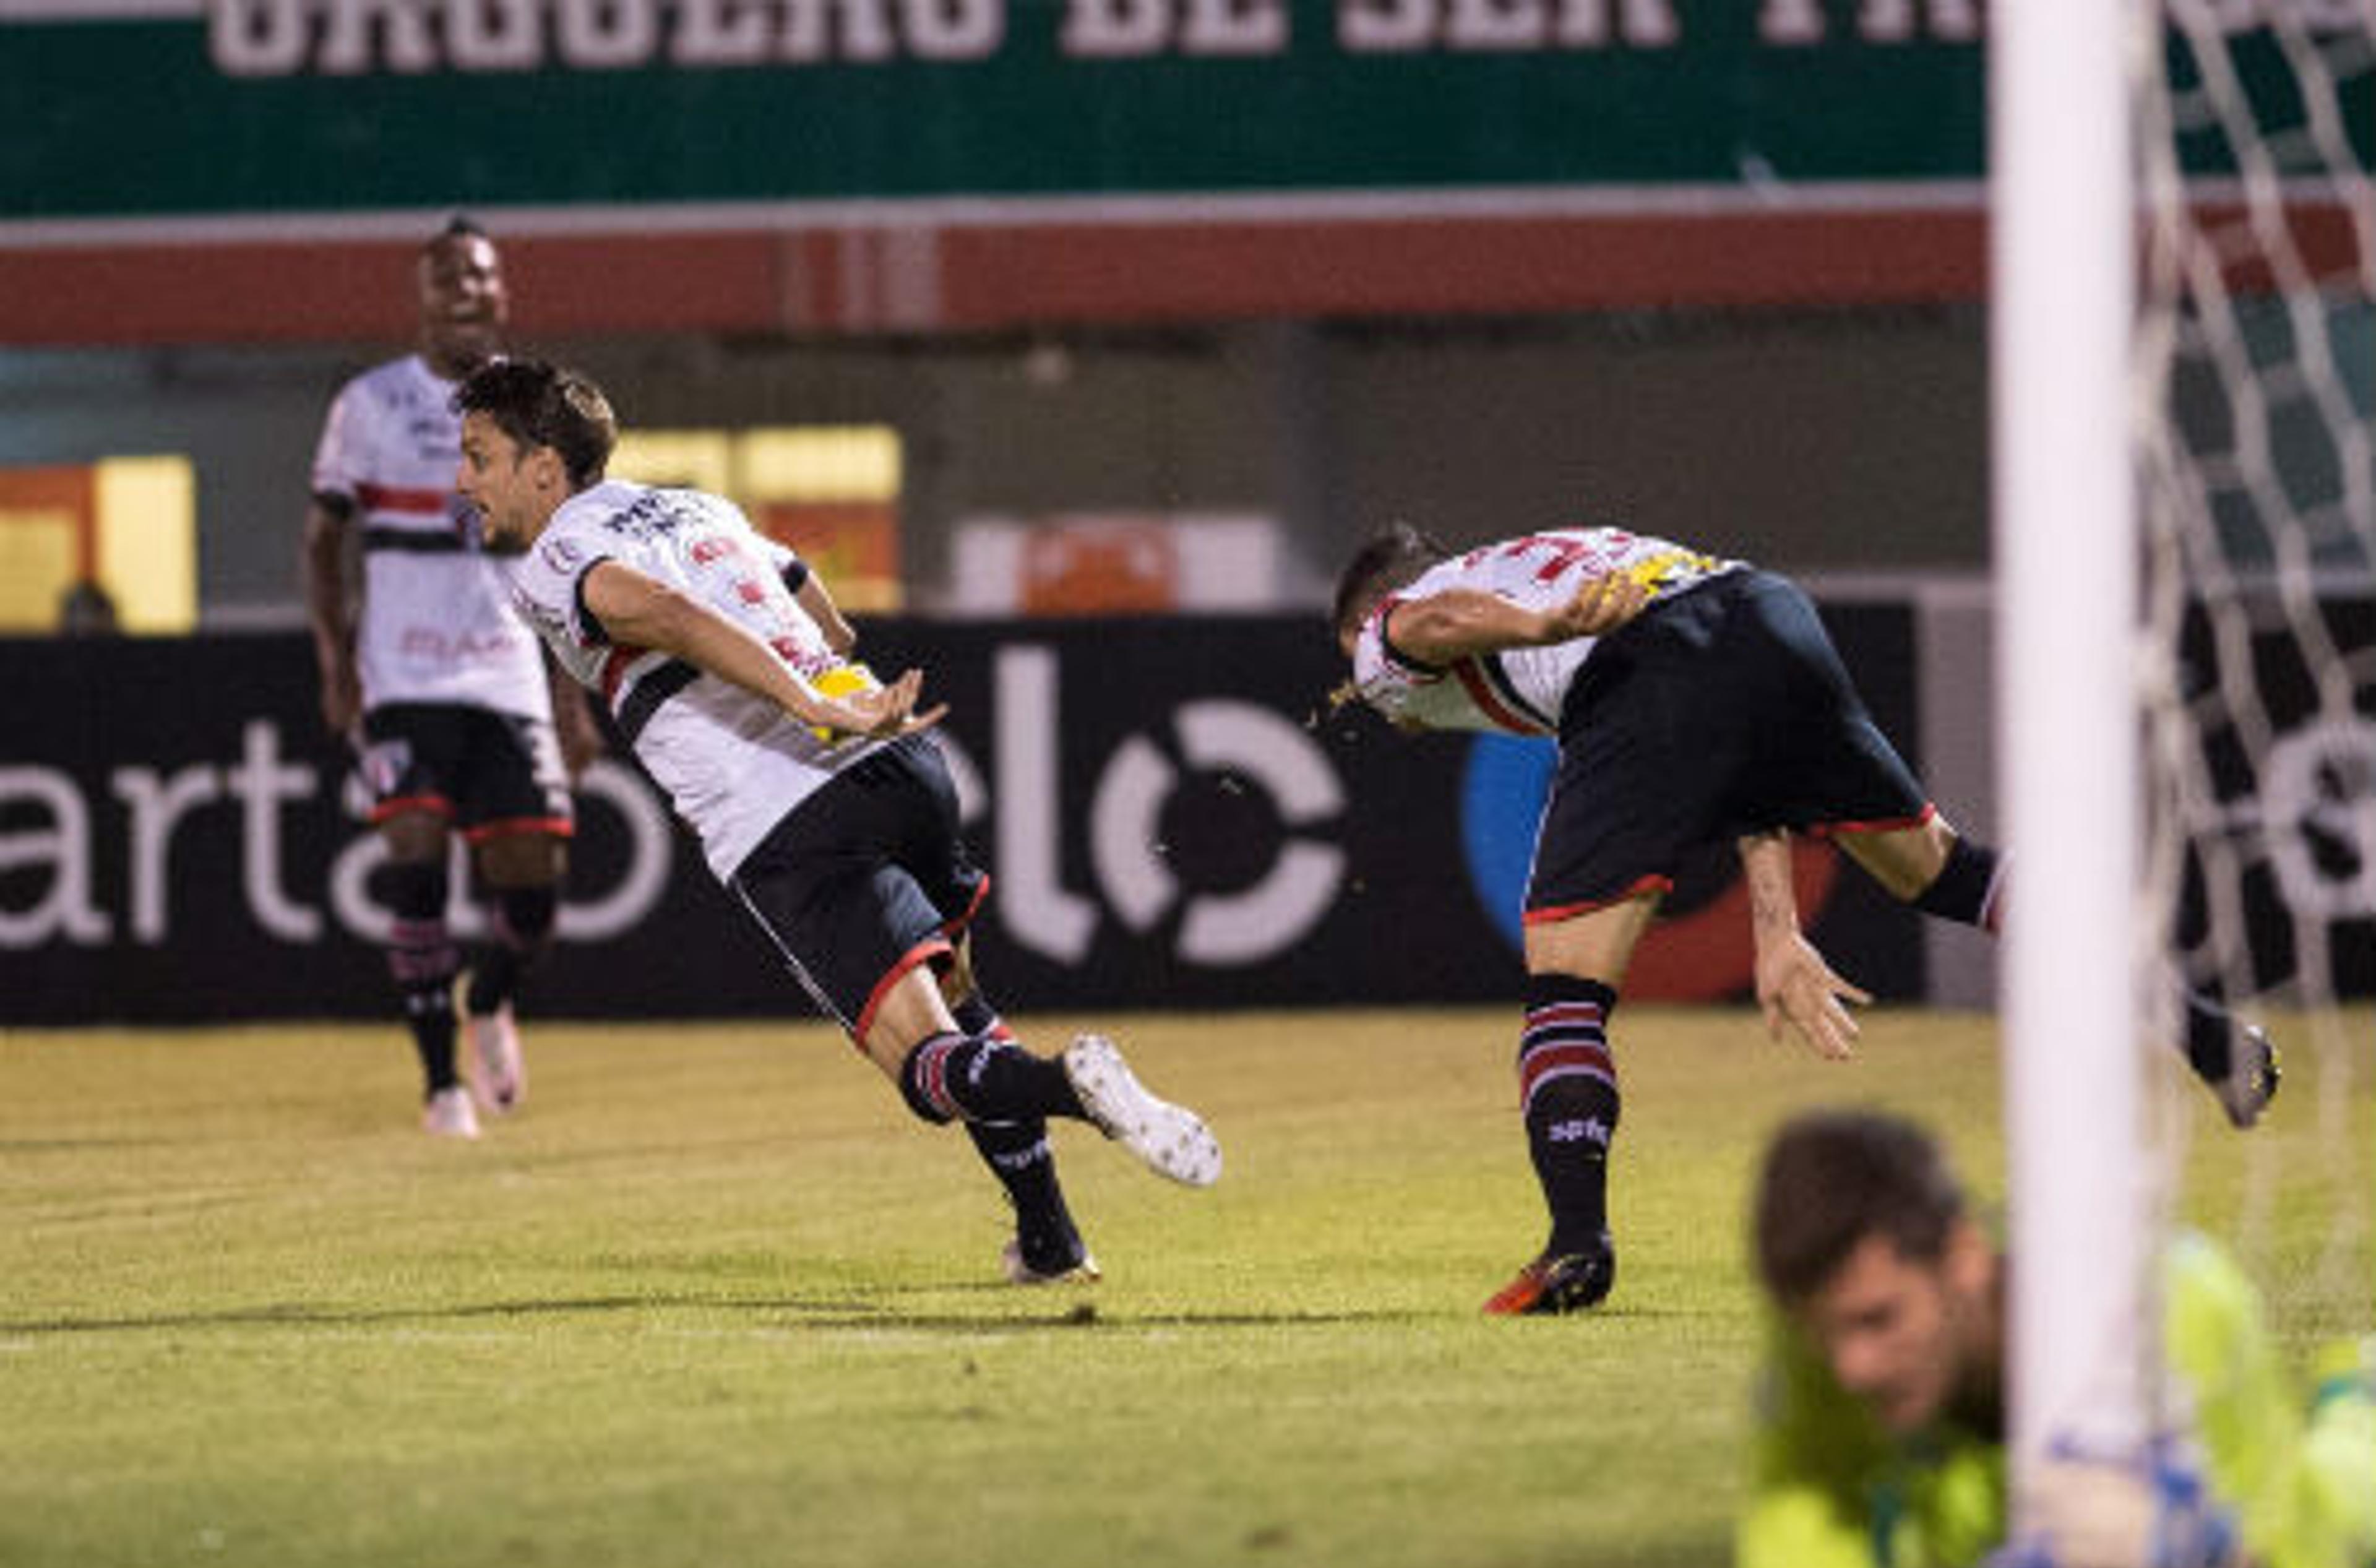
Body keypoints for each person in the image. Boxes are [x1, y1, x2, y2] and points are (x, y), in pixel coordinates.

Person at [1329, 521, 2280, 1315]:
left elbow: (1433, 620)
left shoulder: (1399, 632)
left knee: (1565, 984)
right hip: (1765, 614)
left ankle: (1577, 1245)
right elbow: (1734, 743)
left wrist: (1534, 625)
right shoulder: (1550, 552)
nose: (1383, 710)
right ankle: (2208, 1037)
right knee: (1945, 874)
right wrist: (1775, 928)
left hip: (1645, 665)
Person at [450, 357, 1219, 1282]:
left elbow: (657, 611)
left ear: (544, 468)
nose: (465, 481)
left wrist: (808, 707)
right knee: (964, 1007)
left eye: (479, 457)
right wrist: (832, 692)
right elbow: (824, 619)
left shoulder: (553, 560)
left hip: (789, 813)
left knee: (928, 1069)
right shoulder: (698, 509)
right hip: (901, 770)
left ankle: (1071, 1084)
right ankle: (1050, 1241)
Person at [1738, 1108, 2375, 1568]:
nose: (1854, 1368)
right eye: (1823, 1334)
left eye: (1880, 1319)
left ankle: (2358, 1397)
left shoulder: (2172, 1314)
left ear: (1963, 1257)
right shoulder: (1815, 1371)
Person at [301, 216, 602, 1140]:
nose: (466, 290)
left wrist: (572, 697)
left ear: (502, 293)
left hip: (507, 675)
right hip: (401, 678)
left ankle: (490, 999)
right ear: (423, 297)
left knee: (535, 901)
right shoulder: (369, 404)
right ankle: (442, 1087)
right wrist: (337, 659)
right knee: (416, 862)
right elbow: (324, 541)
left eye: (481, 275)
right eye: (449, 277)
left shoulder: (539, 408)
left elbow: (569, 558)